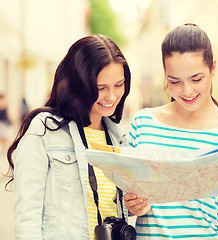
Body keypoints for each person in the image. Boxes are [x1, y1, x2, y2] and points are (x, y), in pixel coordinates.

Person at [124, 23, 218, 239]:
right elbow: (127, 203)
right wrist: (133, 206)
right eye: (175, 81)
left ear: (212, 68)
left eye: (197, 79)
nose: (187, 91)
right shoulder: (143, 124)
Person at [6, 34, 131, 240]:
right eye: (100, 88)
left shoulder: (119, 138)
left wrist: (137, 206)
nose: (111, 96)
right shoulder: (44, 129)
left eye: (119, 85)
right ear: (79, 83)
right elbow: (28, 217)